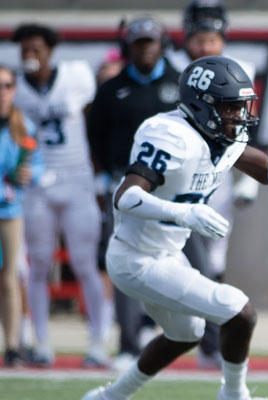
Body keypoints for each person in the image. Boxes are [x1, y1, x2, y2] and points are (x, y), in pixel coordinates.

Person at [82, 56, 268, 400]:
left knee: (186, 334)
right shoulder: (170, 135)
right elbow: (126, 197)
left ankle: (109, 397)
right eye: (230, 107)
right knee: (238, 310)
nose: (239, 116)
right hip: (135, 258)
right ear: (201, 105)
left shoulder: (218, 135)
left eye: (241, 107)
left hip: (167, 254)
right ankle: (234, 395)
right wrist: (184, 213)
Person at [10, 23, 113, 368]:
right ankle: (41, 342)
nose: (30, 55)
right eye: (25, 50)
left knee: (86, 264)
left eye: (36, 49)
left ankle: (98, 342)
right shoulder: (16, 88)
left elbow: (95, 121)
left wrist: (99, 171)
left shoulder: (76, 75)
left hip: (76, 179)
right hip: (37, 184)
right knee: (38, 265)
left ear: (50, 51)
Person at [86, 15, 183, 370]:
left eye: (150, 42)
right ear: (128, 47)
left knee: (193, 257)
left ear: (162, 45)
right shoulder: (111, 89)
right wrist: (105, 177)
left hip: (175, 187)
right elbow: (95, 136)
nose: (145, 50)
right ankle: (128, 343)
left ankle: (206, 343)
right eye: (139, 43)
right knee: (125, 258)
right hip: (126, 184)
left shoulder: (179, 83)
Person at [170, 0, 259, 367]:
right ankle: (170, 327)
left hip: (217, 171)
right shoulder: (171, 67)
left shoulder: (239, 68)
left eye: (212, 39)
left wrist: (248, 182)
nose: (206, 46)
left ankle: (211, 336)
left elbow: (247, 129)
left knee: (214, 257)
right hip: (178, 172)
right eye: (200, 39)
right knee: (175, 252)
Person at [0, 67, 41, 367]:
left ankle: (13, 345)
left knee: (9, 278)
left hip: (9, 210)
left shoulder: (22, 125)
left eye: (6, 85)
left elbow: (36, 164)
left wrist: (30, 174)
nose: (2, 92)